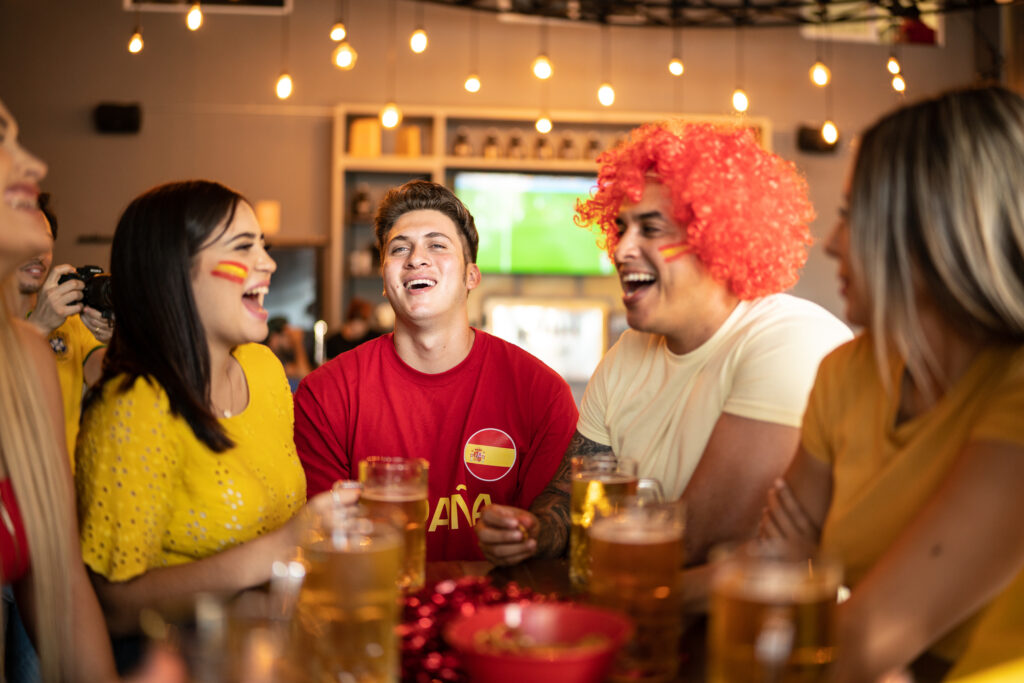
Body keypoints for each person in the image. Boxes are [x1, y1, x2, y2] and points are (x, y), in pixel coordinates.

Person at [476, 122, 852, 567]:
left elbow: (697, 545)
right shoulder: (627, 354)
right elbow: (569, 497)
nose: (619, 251)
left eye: (650, 229)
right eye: (621, 229)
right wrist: (536, 532)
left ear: (716, 240)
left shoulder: (789, 339)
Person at [761, 86, 1024, 681]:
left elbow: (867, 637)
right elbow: (776, 571)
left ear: (936, 231)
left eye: (854, 216)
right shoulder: (846, 372)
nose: (830, 243)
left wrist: (820, 581)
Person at [74, 180, 324, 668]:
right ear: (175, 271)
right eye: (243, 247)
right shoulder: (135, 406)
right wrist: (282, 547)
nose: (268, 263)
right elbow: (116, 607)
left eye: (263, 246)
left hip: (272, 652)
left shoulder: (264, 369)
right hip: (185, 664)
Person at [294, 180, 578, 561]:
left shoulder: (541, 393)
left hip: (497, 614)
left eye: (437, 245)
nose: (416, 258)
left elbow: (553, 538)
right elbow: (324, 545)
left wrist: (529, 537)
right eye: (399, 249)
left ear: (471, 277)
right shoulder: (326, 394)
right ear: (385, 279)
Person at [0, 97, 119, 682]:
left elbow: (56, 576)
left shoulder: (24, 350)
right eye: (2, 140)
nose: (32, 164)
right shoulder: (33, 333)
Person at [14, 193, 109, 462]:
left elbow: (109, 380)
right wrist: (38, 328)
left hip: (63, 491)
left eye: (45, 241)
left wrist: (120, 341)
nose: (38, 254)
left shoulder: (72, 321)